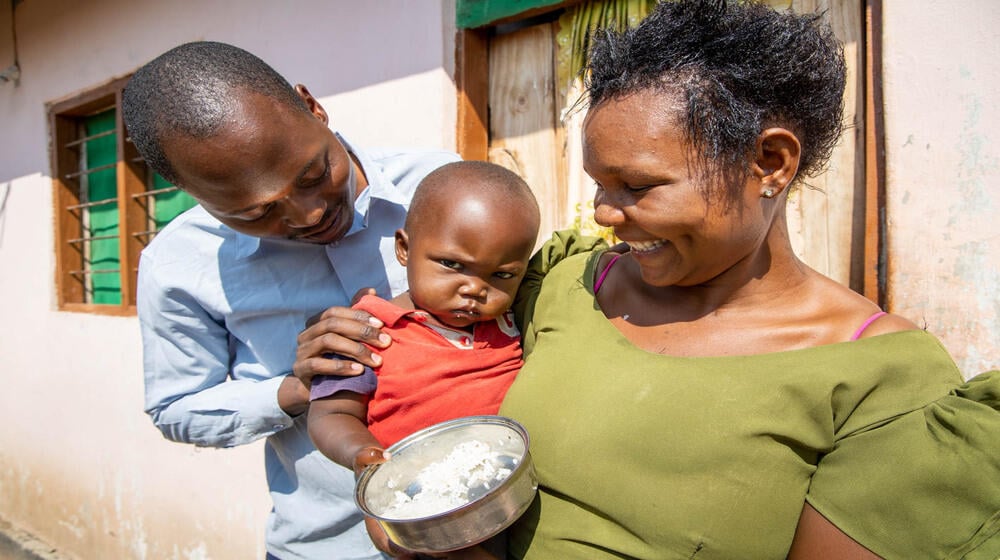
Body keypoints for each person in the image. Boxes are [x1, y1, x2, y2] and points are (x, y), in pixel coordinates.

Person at [295, 1, 1000, 558]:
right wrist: (342, 347)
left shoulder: (882, 382)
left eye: (637, 184)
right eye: (600, 183)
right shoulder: (568, 284)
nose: (605, 212)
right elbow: (430, 340)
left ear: (771, 163)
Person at [123, 41, 461, 560]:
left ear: (312, 106)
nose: (307, 215)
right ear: (191, 193)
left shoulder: (440, 187)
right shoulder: (178, 265)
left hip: (482, 519)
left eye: (313, 175)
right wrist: (295, 388)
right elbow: (176, 407)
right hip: (329, 545)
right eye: (255, 214)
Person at [306, 160, 541, 558]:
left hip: (504, 493)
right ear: (404, 248)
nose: (474, 289)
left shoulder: (509, 322)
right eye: (452, 265)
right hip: (421, 503)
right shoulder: (368, 332)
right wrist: (361, 453)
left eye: (501, 275)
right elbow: (330, 414)